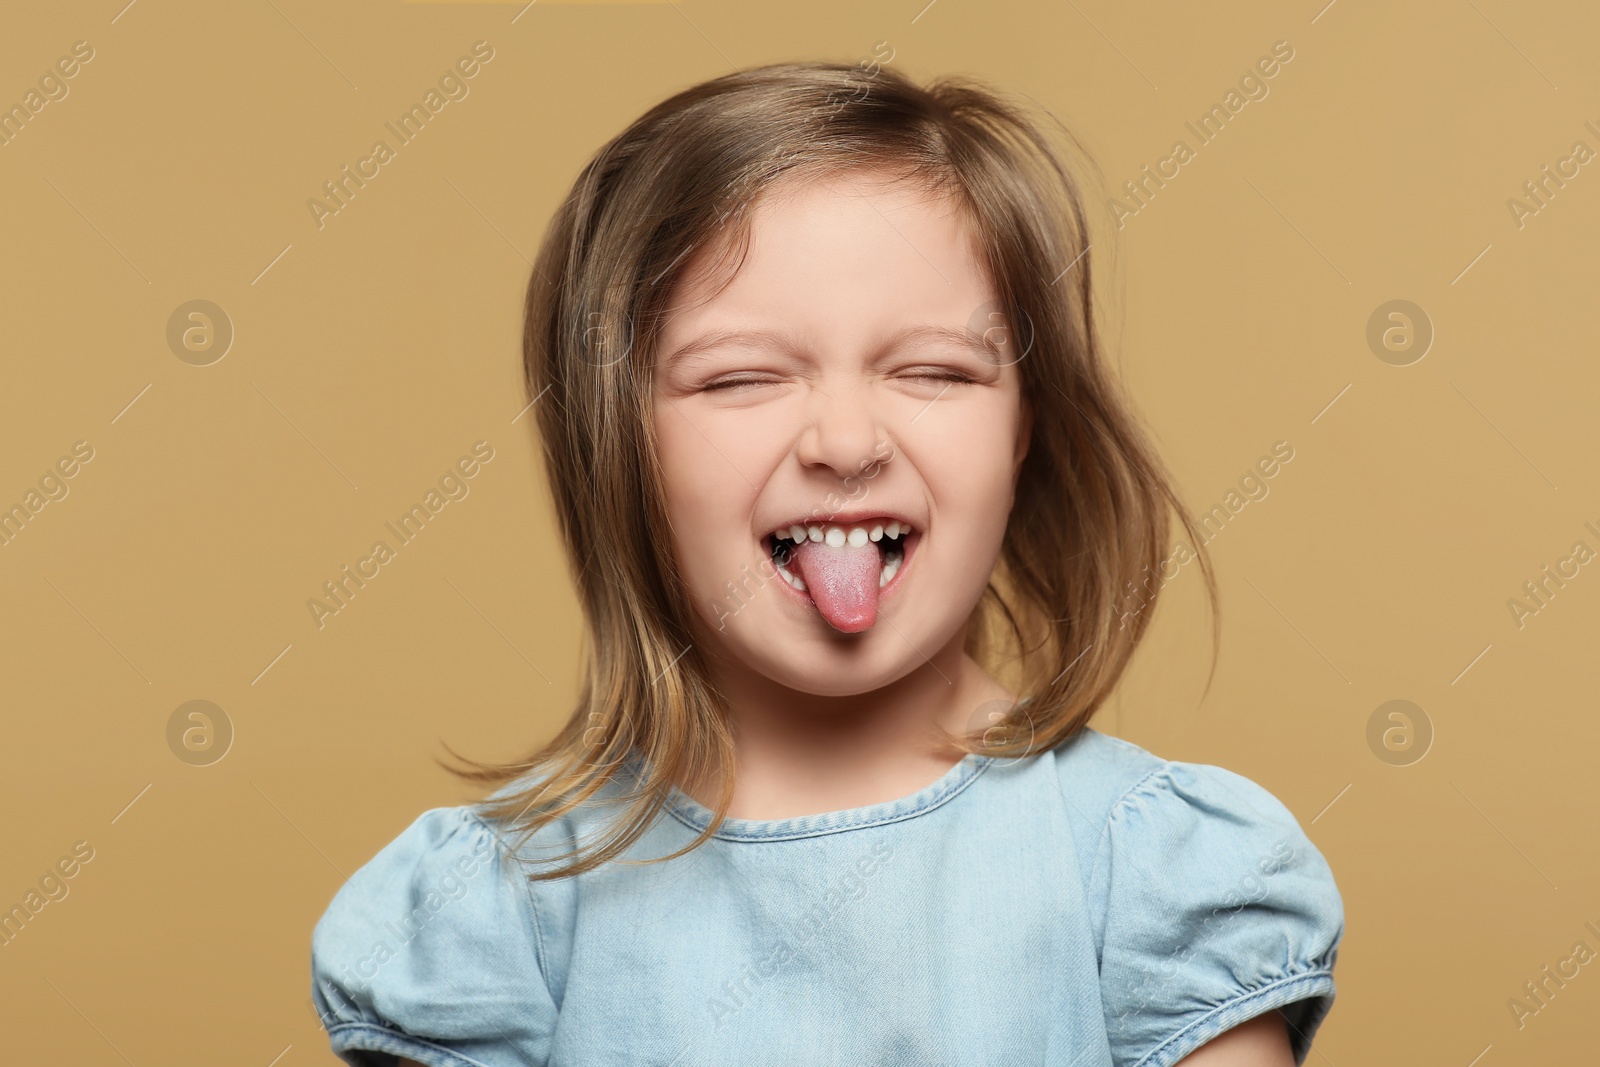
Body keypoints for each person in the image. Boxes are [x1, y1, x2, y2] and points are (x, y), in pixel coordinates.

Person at [309, 60, 1343, 1067]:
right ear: (616, 443)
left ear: (1024, 428)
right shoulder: (499, 906)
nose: (845, 442)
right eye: (740, 377)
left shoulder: (1150, 871)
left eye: (935, 369)